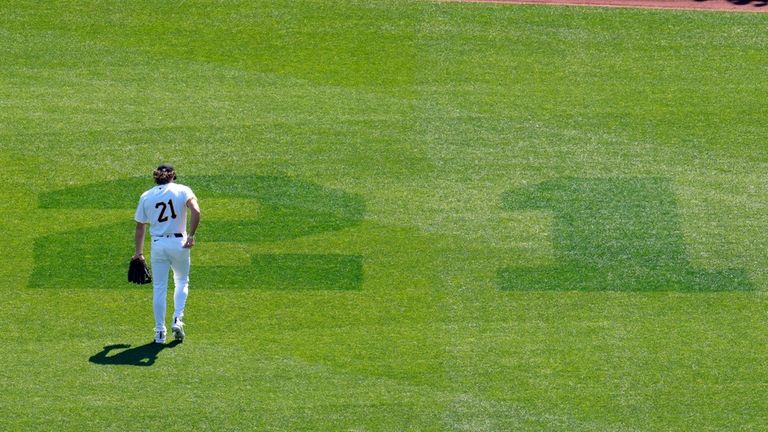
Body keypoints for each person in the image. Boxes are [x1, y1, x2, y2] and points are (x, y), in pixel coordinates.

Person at [132, 164, 201, 344]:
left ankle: (159, 333)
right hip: (180, 243)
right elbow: (196, 211)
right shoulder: (183, 190)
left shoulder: (146, 196)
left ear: (156, 177)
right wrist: (191, 235)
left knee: (159, 288)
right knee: (181, 281)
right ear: (173, 176)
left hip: (158, 244)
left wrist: (138, 253)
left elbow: (140, 227)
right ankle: (178, 318)